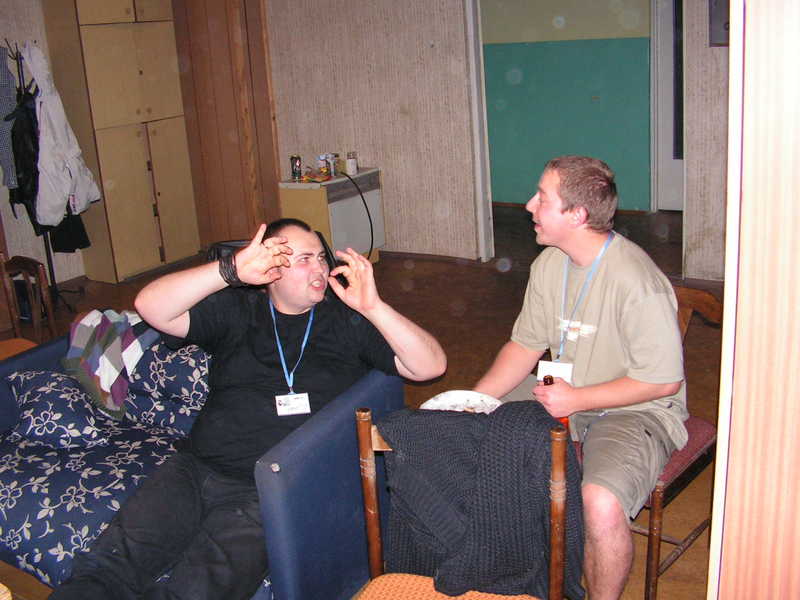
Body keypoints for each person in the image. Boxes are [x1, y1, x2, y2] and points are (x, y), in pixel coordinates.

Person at [51, 218, 447, 600]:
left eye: (320, 257)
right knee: (107, 567)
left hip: (265, 490)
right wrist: (231, 270)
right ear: (272, 270)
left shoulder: (347, 321)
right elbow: (150, 306)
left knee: (194, 591)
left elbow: (431, 366)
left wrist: (373, 306)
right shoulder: (238, 309)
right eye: (304, 259)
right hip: (193, 468)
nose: (320, 268)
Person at [473, 156, 685, 600]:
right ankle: (511, 574)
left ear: (577, 215)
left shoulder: (637, 281)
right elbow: (524, 347)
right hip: (565, 391)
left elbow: (663, 382)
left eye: (542, 198)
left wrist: (578, 400)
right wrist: (471, 403)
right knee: (471, 431)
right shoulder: (551, 263)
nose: (529, 205)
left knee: (600, 502)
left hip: (635, 408)